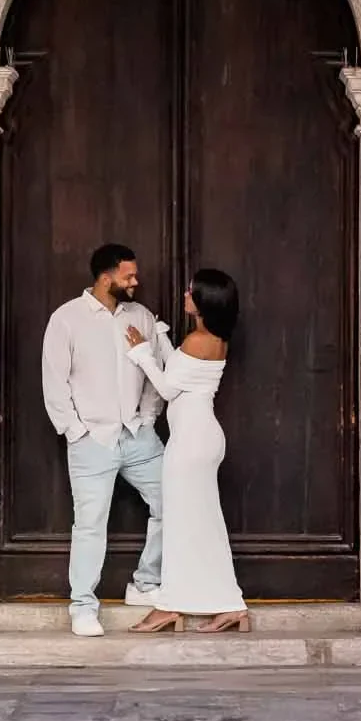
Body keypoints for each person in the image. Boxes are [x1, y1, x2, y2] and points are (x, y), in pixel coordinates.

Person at [40, 242, 169, 637]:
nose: (136, 281)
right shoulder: (67, 319)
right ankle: (82, 606)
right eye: (128, 275)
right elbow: (54, 382)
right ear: (106, 276)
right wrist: (76, 432)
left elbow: (155, 374)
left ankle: (146, 583)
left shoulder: (141, 316)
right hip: (91, 439)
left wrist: (147, 419)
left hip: (137, 437)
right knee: (90, 525)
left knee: (174, 501)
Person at [124, 268, 249, 635]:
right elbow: (181, 375)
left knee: (182, 526)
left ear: (204, 300)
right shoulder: (210, 338)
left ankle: (169, 607)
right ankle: (229, 605)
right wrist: (162, 343)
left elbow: (165, 387)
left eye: (191, 291)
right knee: (202, 526)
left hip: (192, 442)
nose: (185, 294)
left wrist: (141, 352)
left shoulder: (199, 339)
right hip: (200, 437)